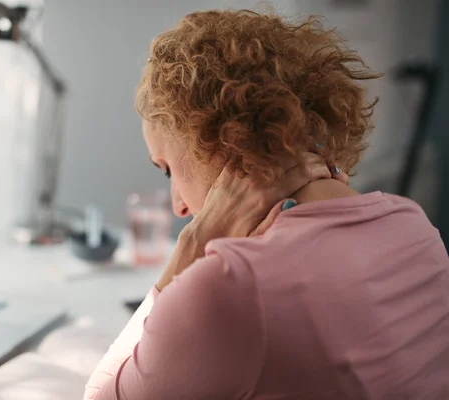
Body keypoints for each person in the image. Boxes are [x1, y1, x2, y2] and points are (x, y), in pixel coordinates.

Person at [85, 10, 449, 400]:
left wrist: (192, 245)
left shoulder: (226, 288)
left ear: (211, 141)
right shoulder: (416, 228)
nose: (179, 207)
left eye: (168, 170)